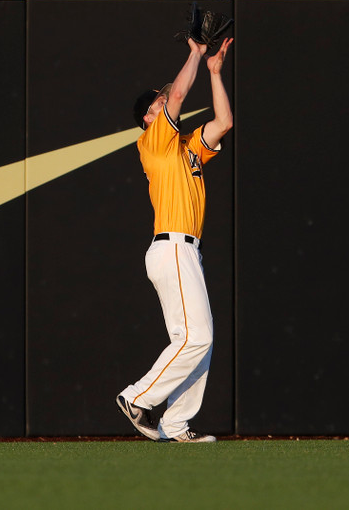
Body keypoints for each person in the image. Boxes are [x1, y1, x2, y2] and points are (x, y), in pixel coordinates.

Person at [116, 36, 234, 443]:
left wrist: (216, 74)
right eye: (158, 105)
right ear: (150, 118)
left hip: (185, 251)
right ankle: (138, 397)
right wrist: (197, 54)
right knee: (198, 338)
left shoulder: (187, 147)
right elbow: (181, 91)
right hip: (172, 248)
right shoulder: (153, 142)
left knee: (197, 342)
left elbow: (224, 124)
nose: (167, 103)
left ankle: (175, 424)